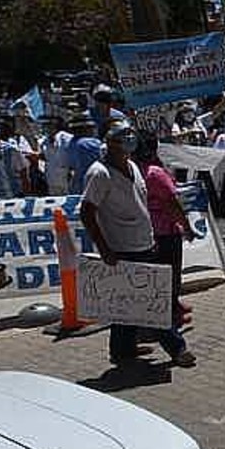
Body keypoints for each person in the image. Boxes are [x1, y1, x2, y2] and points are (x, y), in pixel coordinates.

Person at [79, 122, 196, 368]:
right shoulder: (99, 173)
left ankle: (123, 351)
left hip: (144, 243)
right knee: (153, 301)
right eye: (124, 138)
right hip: (121, 248)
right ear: (111, 143)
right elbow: (87, 213)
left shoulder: (131, 165)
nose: (129, 142)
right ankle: (177, 348)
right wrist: (105, 249)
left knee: (128, 305)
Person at [132, 135, 195, 326]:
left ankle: (173, 305)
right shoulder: (155, 173)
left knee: (161, 274)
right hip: (165, 231)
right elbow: (171, 203)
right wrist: (186, 226)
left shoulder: (134, 171)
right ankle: (169, 316)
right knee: (170, 274)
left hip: (147, 231)